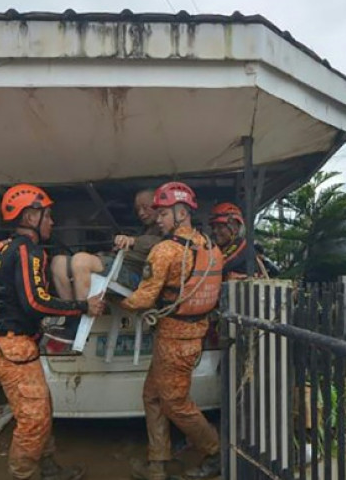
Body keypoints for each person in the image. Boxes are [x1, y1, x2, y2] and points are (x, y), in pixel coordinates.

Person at [0, 184, 104, 480]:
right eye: (48, 216)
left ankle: (47, 468)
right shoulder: (27, 252)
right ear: (31, 217)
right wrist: (82, 306)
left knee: (40, 406)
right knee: (34, 418)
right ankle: (26, 474)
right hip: (10, 348)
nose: (52, 222)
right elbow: (36, 301)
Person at [108, 181, 223, 480]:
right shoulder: (210, 247)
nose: (157, 219)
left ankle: (215, 452)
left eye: (163, 214)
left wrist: (108, 298)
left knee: (176, 404)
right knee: (153, 395)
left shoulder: (165, 251)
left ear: (181, 212)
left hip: (174, 338)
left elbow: (144, 299)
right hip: (190, 334)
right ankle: (159, 461)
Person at [42, 189, 163, 350]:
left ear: (159, 206)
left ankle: (79, 326)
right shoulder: (146, 229)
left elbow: (163, 244)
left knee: (80, 261)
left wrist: (133, 241)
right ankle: (72, 318)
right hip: (120, 267)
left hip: (136, 278)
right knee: (58, 263)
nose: (141, 213)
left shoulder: (166, 227)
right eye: (138, 209)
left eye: (146, 207)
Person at [208, 202, 269, 280]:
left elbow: (217, 267)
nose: (215, 231)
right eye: (213, 227)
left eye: (220, 227)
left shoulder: (241, 247)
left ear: (235, 228)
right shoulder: (222, 249)